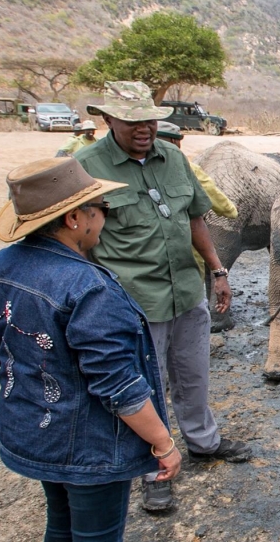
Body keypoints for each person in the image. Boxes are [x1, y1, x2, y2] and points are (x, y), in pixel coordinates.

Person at [0, 157, 181, 542]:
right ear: (74, 218)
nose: (104, 219)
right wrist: (163, 442)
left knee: (60, 523)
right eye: (101, 208)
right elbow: (118, 386)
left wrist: (31, 368)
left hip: (34, 429)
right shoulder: (90, 287)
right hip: (92, 447)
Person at [75, 81, 251, 513]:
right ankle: (153, 468)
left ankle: (204, 442)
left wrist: (217, 269)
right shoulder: (85, 167)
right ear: (108, 120)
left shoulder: (173, 158)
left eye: (149, 119)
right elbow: (75, 239)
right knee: (144, 385)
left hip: (187, 291)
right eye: (132, 120)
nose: (143, 128)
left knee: (193, 373)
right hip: (133, 300)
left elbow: (195, 217)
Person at [154, 120, 239, 277]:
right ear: (174, 141)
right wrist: (232, 210)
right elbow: (223, 205)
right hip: (184, 255)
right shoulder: (187, 168)